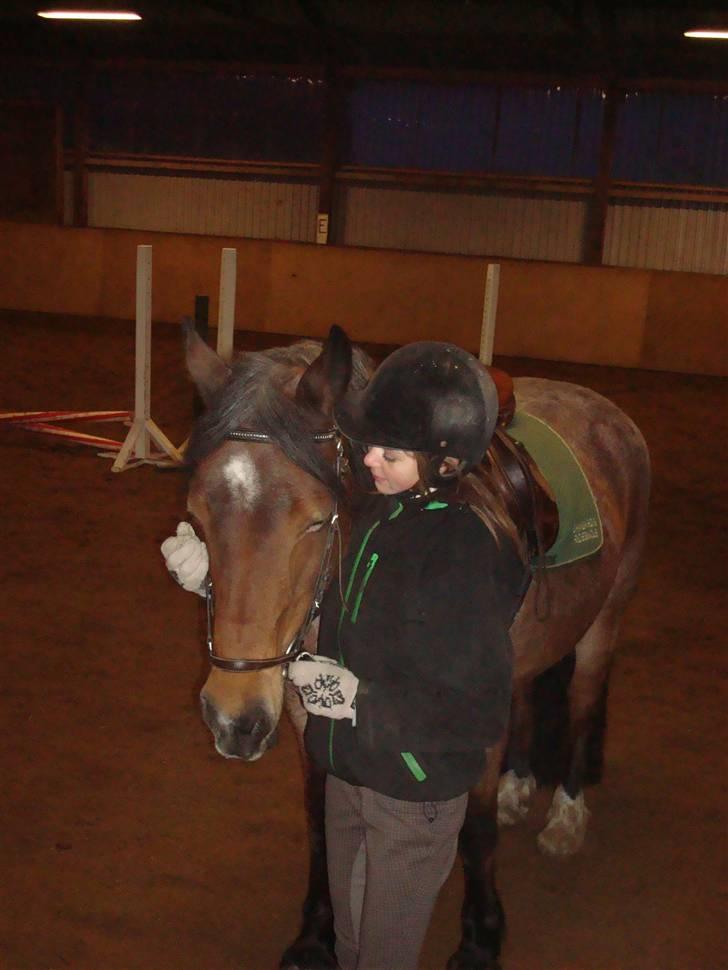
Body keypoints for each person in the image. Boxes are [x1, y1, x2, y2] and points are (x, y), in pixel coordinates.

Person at [162, 341, 529, 970]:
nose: (366, 462)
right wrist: (213, 583)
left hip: (414, 794)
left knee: (383, 952)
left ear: (443, 465)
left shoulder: (460, 553)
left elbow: (474, 709)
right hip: (352, 774)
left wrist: (358, 699)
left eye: (389, 454)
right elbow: (331, 606)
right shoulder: (370, 520)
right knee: (355, 939)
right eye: (365, 447)